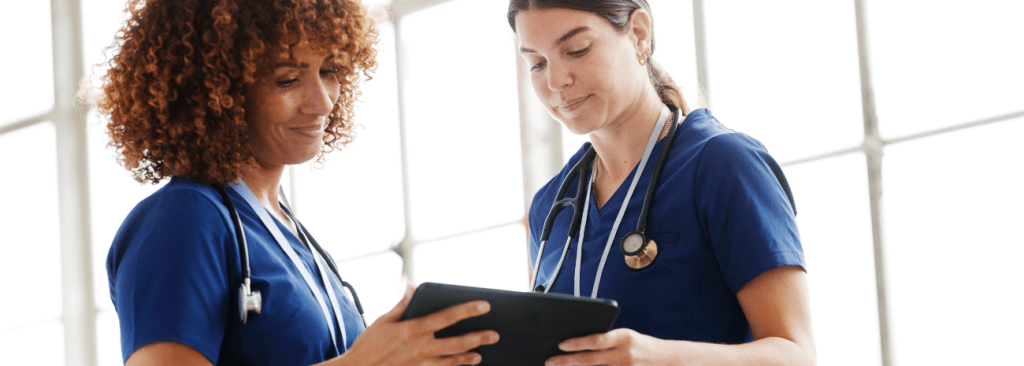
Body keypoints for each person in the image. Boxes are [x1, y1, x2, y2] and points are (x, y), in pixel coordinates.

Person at [98, 0, 498, 365]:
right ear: (217, 91)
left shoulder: (285, 231)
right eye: (288, 79)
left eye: (328, 71)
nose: (322, 101)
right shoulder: (183, 218)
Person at [508, 0, 816, 365]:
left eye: (577, 50)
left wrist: (662, 358)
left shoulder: (722, 164)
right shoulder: (551, 206)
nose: (556, 81)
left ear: (639, 34)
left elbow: (795, 354)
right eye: (537, 63)